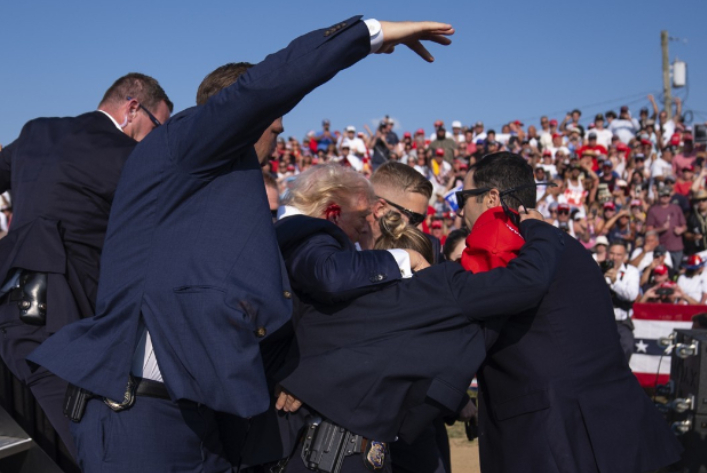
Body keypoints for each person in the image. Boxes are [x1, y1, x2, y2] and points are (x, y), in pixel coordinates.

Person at [28, 18, 456, 472]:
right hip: (140, 416)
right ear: (242, 115)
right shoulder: (183, 143)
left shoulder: (212, 187)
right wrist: (368, 35)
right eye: (274, 128)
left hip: (198, 419)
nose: (280, 139)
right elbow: (267, 87)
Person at [272, 193, 562, 473]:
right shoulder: (452, 287)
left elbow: (401, 354)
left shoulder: (371, 290)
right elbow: (528, 280)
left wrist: (294, 375)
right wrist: (540, 229)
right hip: (329, 448)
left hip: (336, 441)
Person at [456, 152, 681, 473]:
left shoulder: (503, 245)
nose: (461, 208)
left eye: (464, 197)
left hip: (556, 441)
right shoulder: (562, 242)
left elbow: (473, 332)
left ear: (492, 197)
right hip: (621, 433)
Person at [0, 73, 171, 458]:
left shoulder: (36, 131)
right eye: (158, 125)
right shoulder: (130, 157)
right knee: (93, 446)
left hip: (12, 301)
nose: (158, 138)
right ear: (132, 108)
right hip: (69, 314)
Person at [605, 242, 640, 362]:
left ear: (624, 256)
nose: (614, 258)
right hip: (601, 319)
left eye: (618, 255)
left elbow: (632, 295)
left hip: (621, 321)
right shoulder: (598, 268)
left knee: (627, 347)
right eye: (612, 253)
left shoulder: (632, 272)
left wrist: (615, 282)